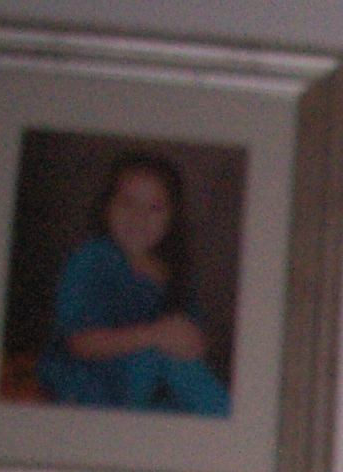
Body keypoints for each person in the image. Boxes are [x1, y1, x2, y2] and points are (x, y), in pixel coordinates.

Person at [36, 150, 229, 415]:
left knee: (184, 392)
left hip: (150, 385)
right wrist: (156, 335)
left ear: (172, 218)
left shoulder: (177, 271)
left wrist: (190, 341)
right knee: (165, 362)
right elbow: (79, 343)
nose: (139, 217)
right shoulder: (93, 257)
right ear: (107, 207)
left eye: (155, 208)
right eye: (128, 203)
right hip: (90, 380)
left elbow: (191, 340)